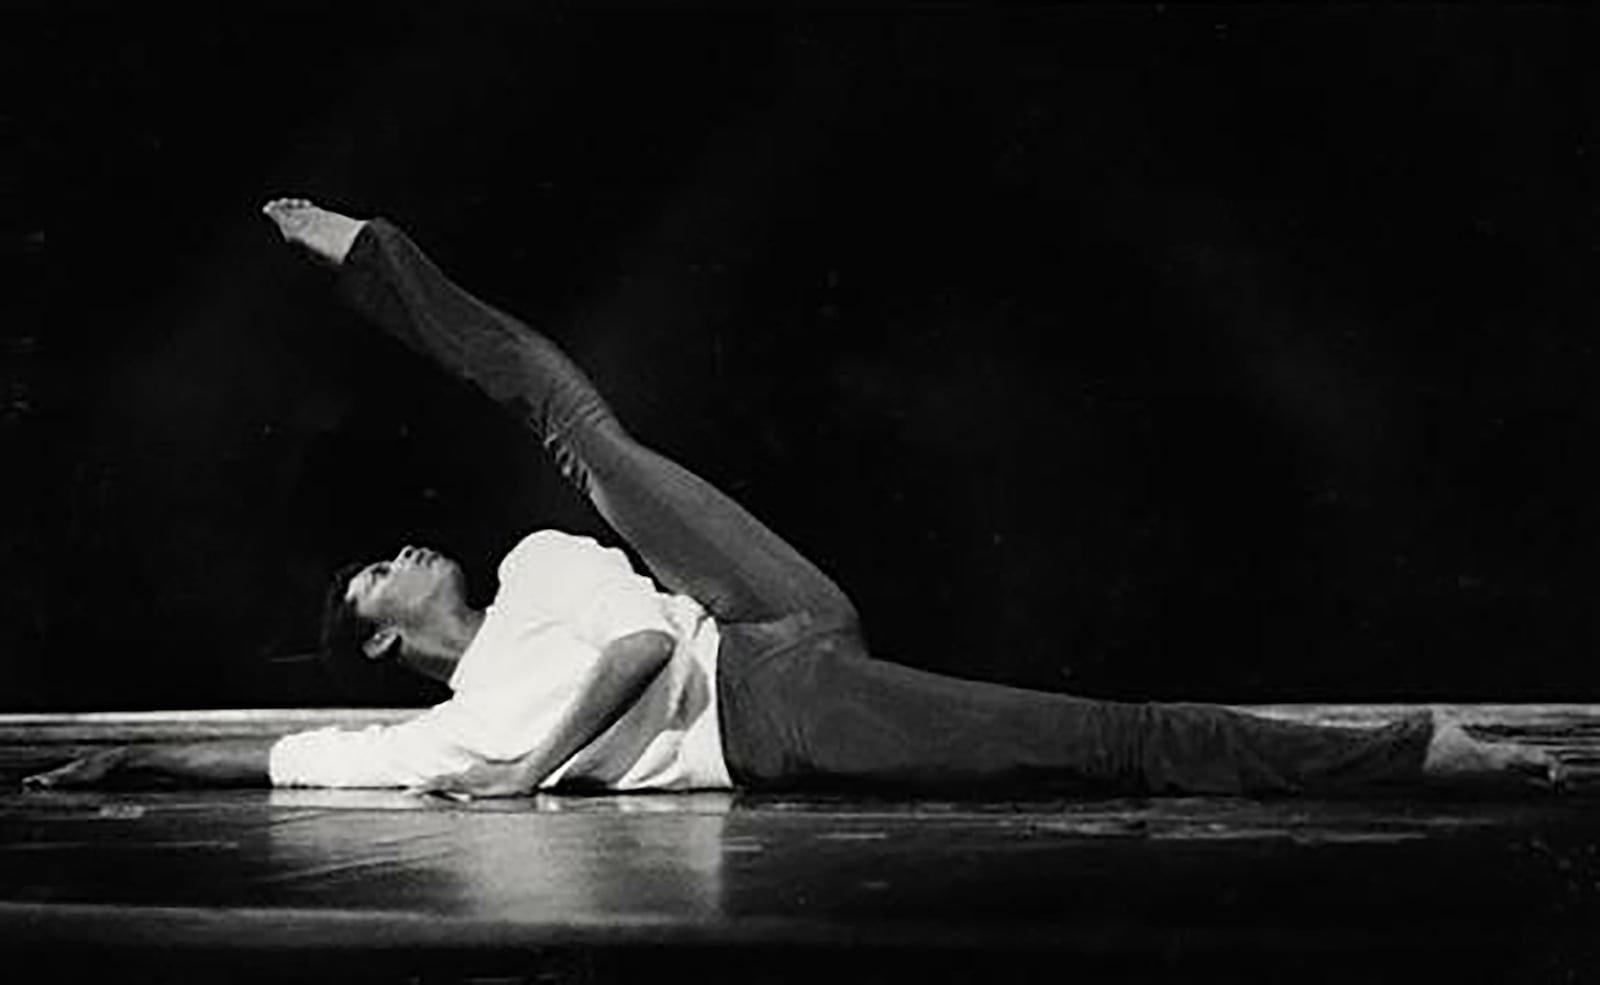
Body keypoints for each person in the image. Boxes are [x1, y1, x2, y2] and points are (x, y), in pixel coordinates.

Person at [22, 199, 1561, 799]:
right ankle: (1422, 750)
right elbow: (297, 757)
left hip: (757, 617)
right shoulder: (440, 720)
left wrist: (525, 780)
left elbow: (633, 655)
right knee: (1102, 741)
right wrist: (117, 774)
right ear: (376, 641)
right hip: (782, 709)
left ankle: (376, 261)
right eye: (371, 578)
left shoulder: (538, 566)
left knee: (566, 412)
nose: (397, 552)